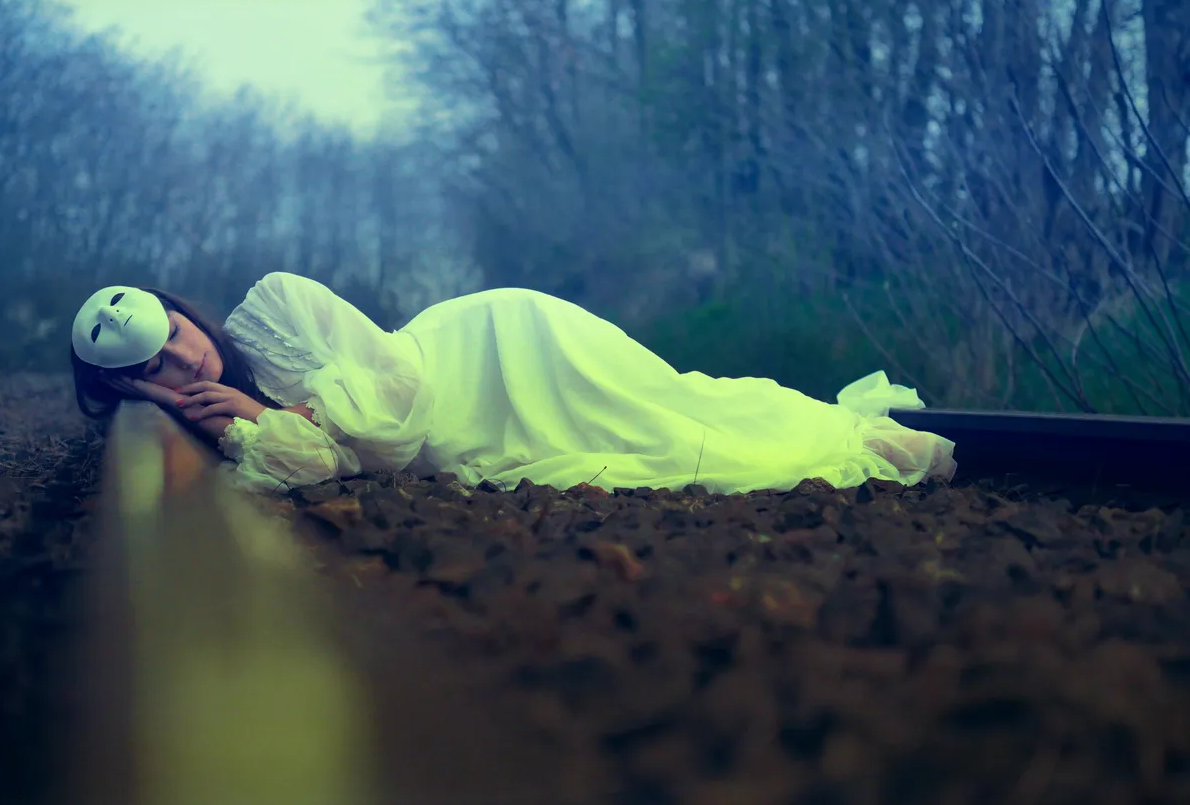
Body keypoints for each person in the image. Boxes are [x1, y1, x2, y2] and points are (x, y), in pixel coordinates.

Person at [70, 272, 956, 495]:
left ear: (188, 312)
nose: (182, 362)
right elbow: (317, 464)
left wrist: (260, 420)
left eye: (174, 335)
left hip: (501, 347)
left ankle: (859, 437)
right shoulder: (212, 421)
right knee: (644, 435)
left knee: (669, 412)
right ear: (127, 392)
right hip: (476, 412)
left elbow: (383, 437)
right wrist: (234, 426)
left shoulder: (279, 312)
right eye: (148, 372)